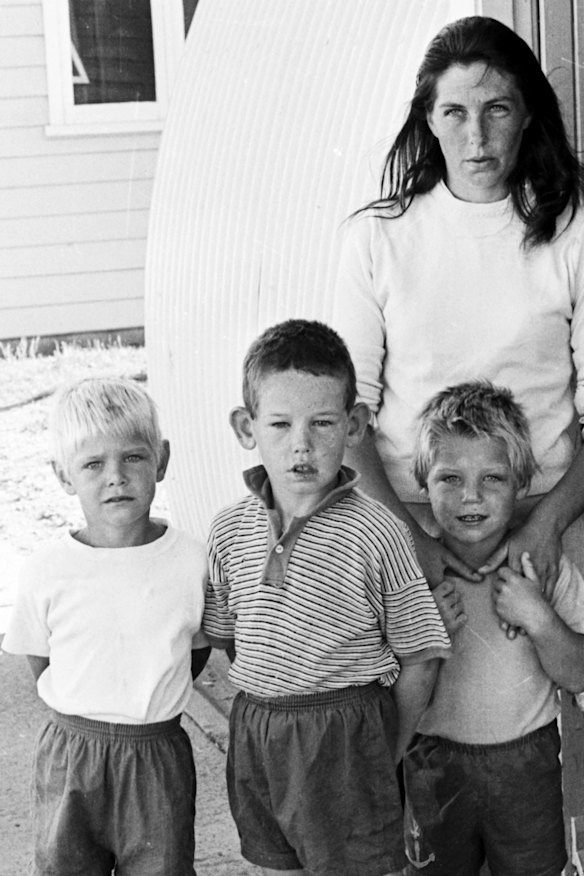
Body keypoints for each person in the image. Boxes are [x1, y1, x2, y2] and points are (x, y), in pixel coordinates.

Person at [333, 15, 584, 597]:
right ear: (429, 118)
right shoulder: (378, 238)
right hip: (407, 512)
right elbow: (350, 419)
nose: (477, 137)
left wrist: (546, 528)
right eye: (456, 113)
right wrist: (410, 541)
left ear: (527, 114)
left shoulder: (571, 232)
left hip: (544, 511)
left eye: (497, 109)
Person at [203, 319, 451, 876]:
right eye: (280, 424)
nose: (301, 444)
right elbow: (227, 639)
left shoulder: (376, 531)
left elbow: (422, 657)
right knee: (274, 865)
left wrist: (384, 750)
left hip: (346, 740)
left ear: (355, 424)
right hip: (259, 733)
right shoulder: (227, 531)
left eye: (322, 423)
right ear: (246, 427)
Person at [2, 377, 210, 876]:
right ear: (63, 475)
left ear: (161, 458)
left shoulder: (191, 561)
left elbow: (195, 650)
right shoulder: (48, 570)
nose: (115, 477)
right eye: (93, 464)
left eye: (133, 458)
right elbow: (42, 658)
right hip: (72, 754)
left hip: (155, 755)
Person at [402, 380, 584, 876]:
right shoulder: (409, 575)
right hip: (433, 766)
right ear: (422, 482)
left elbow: (580, 674)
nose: (472, 497)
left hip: (530, 771)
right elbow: (380, 685)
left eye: (493, 479)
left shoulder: (540, 568)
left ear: (521, 482)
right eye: (450, 479)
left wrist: (539, 618)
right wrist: (425, 634)